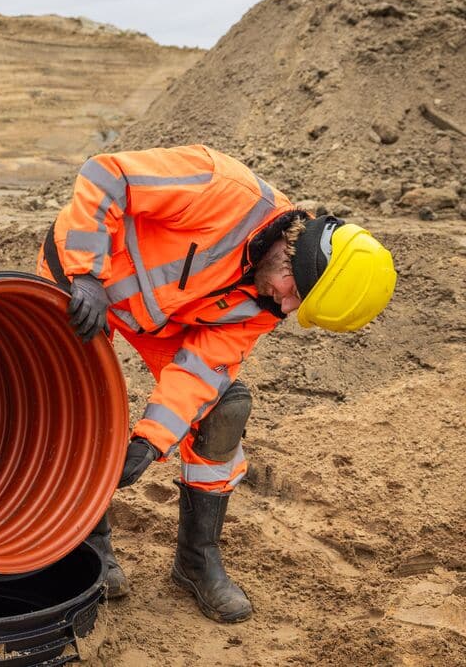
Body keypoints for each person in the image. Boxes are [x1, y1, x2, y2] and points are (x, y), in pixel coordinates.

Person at [38, 144, 396, 622]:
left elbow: (203, 367)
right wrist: (85, 273)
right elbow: (105, 175)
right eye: (296, 296)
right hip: (89, 284)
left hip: (166, 320)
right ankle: (92, 546)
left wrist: (151, 440)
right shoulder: (220, 189)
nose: (286, 310)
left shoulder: (269, 302)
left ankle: (195, 561)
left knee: (223, 408)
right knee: (79, 393)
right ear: (296, 257)